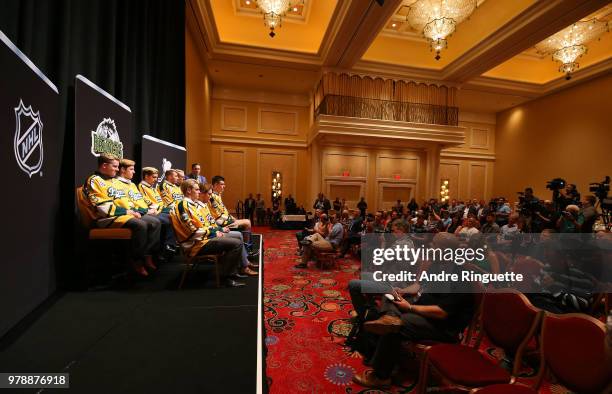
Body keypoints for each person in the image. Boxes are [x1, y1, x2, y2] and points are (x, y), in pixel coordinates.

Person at [351, 233, 474, 389]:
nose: (430, 247)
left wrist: (410, 307)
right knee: (391, 296)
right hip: (423, 310)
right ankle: (389, 320)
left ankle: (381, 377)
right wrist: (401, 291)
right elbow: (419, 286)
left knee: (398, 325)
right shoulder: (438, 265)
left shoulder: (460, 276)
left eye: (434, 245)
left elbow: (442, 312)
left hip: (442, 326)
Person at [82, 154, 160, 277]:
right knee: (140, 225)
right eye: (115, 166)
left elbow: (126, 202)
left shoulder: (113, 180)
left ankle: (146, 256)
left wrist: (135, 211)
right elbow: (102, 208)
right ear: (104, 165)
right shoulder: (94, 180)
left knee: (154, 222)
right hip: (104, 218)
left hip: (121, 214)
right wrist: (127, 212)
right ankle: (136, 261)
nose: (117, 169)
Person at [170, 179, 245, 287]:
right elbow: (194, 232)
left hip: (203, 240)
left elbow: (204, 226)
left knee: (236, 239)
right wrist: (214, 233)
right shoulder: (183, 206)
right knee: (236, 244)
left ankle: (230, 272)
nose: (199, 192)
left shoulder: (192, 205)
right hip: (195, 244)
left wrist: (215, 232)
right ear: (188, 191)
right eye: (196, 190)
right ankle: (225, 278)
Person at [198, 184, 257, 276]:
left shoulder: (204, 204)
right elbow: (199, 229)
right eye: (209, 194)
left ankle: (244, 262)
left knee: (238, 235)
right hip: (204, 240)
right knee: (238, 238)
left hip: (213, 230)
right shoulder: (193, 206)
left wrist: (219, 229)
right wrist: (216, 232)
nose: (210, 197)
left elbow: (210, 222)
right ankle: (231, 273)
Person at [138, 167, 176, 255]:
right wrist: (160, 208)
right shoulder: (142, 186)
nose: (156, 180)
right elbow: (149, 203)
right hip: (153, 212)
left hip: (161, 209)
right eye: (154, 177)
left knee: (175, 213)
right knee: (170, 218)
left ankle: (169, 244)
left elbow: (160, 202)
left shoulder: (152, 187)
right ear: (146, 176)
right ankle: (168, 245)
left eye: (156, 177)